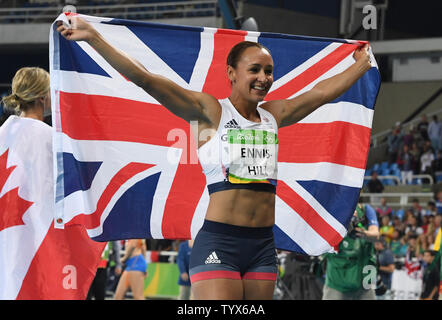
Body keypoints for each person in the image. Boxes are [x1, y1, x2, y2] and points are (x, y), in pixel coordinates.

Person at [57, 16, 372, 300]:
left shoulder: (273, 115)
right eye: (255, 70)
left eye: (268, 71)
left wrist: (361, 65)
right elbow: (146, 79)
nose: (264, 77)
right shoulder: (211, 111)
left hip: (263, 245)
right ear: (231, 73)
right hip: (220, 242)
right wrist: (94, 38)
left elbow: (319, 94)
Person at [322, 200, 380, 300]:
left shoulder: (366, 210)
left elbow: (375, 235)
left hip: (364, 282)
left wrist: (362, 233)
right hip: (337, 283)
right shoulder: (332, 208)